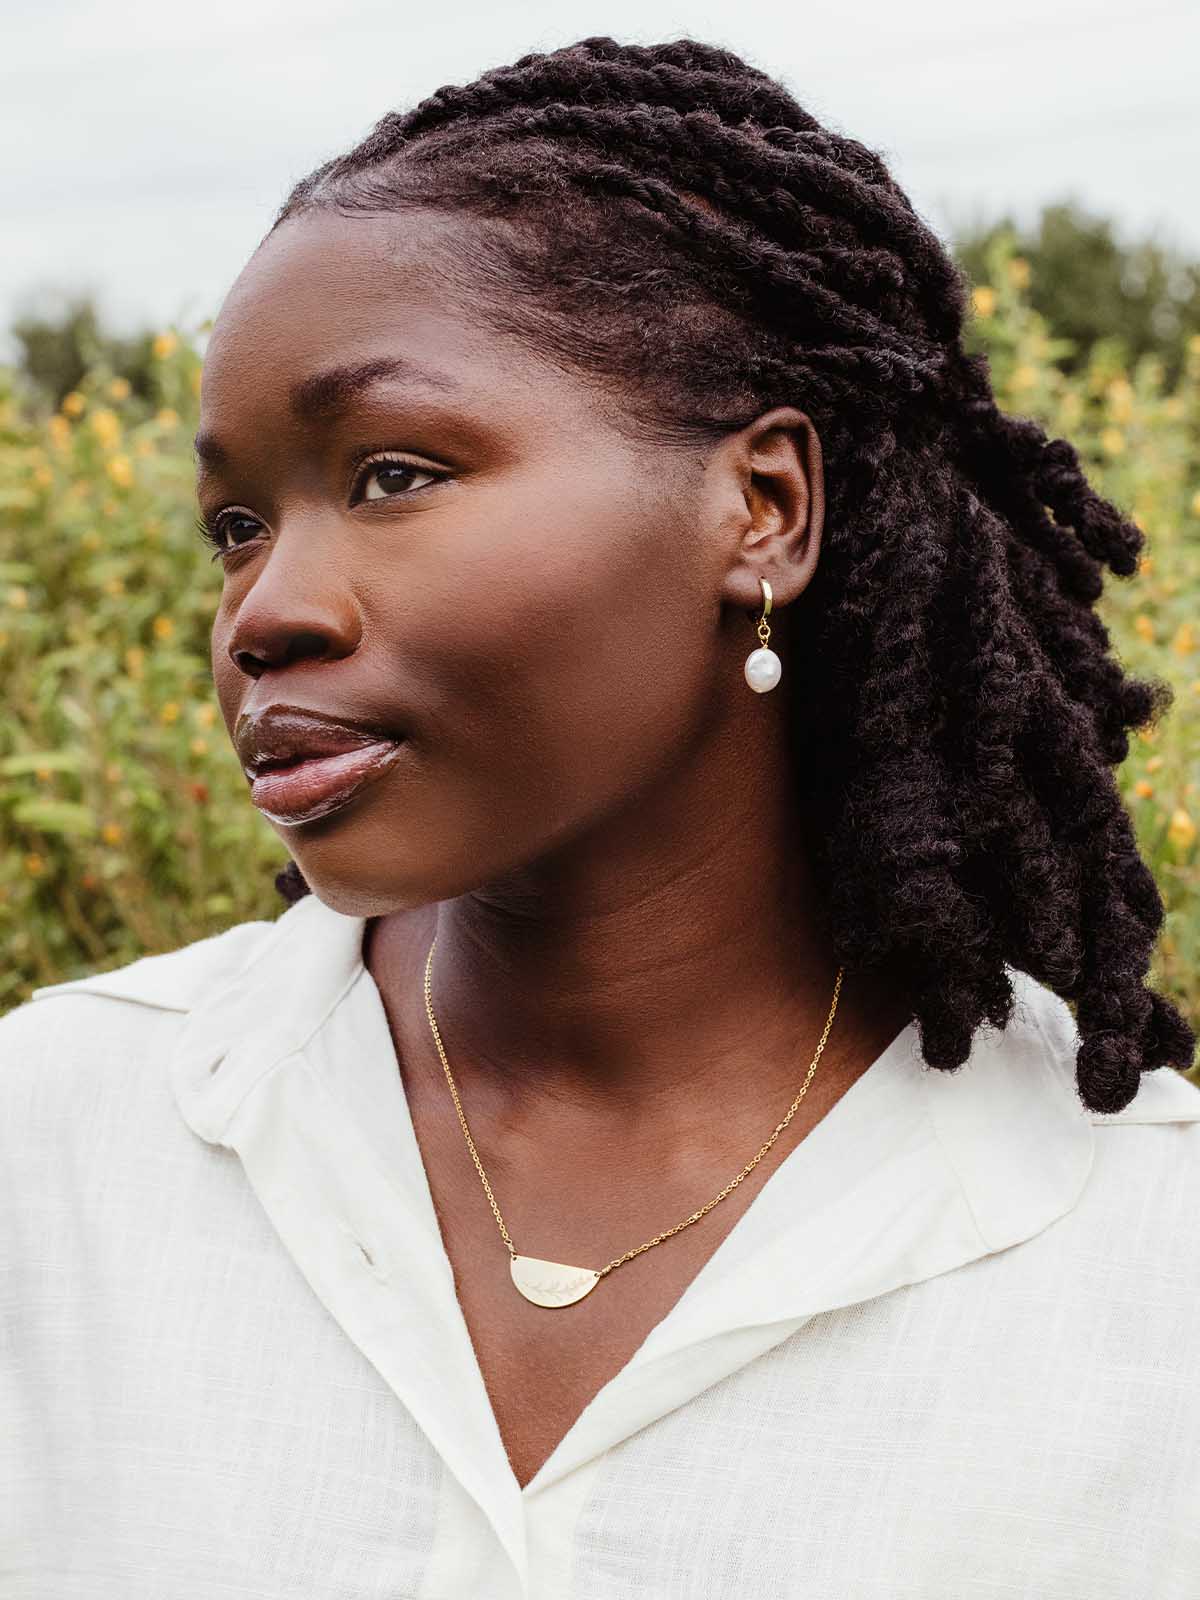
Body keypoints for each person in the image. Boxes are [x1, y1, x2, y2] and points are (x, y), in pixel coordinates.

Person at [4, 33, 1199, 1599]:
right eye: (239, 525)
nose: (262, 615)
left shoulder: (1141, 1264)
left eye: (393, 475)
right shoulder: (54, 1149)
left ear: (761, 508)